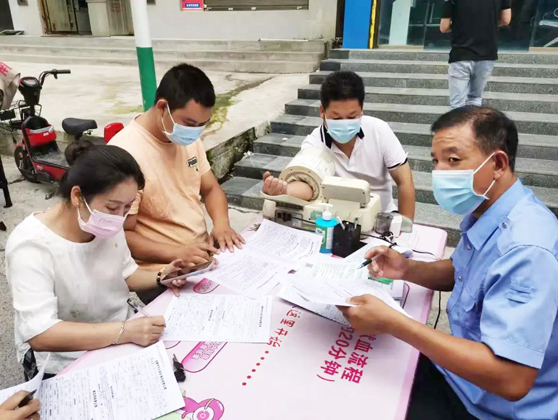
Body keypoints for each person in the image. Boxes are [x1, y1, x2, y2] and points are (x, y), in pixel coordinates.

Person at [341, 107, 558, 420]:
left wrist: (394, 323)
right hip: (459, 376)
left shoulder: (527, 249)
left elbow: (511, 378)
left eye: (453, 160)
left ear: (498, 163)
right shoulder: (492, 211)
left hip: (485, 407)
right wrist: (405, 269)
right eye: (436, 161)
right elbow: (465, 271)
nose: (440, 172)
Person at [6, 141, 190, 378]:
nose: (119, 218)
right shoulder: (31, 246)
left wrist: (161, 276)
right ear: (77, 196)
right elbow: (41, 334)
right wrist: (124, 331)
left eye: (127, 208)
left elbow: (127, 274)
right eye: (112, 207)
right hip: (65, 359)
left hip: (121, 338)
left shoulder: (105, 223)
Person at [109, 64, 245, 288]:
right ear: (163, 107)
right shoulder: (125, 153)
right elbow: (123, 236)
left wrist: (221, 224)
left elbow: (211, 189)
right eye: (189, 124)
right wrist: (178, 252)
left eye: (202, 125)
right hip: (164, 271)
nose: (195, 131)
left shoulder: (188, 139)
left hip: (201, 258)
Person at [262, 71, 415, 221]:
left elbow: (404, 181)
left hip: (382, 219)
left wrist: (405, 227)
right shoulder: (315, 143)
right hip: (336, 220)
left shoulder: (379, 131)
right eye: (336, 118)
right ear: (322, 111)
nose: (344, 123)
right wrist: (284, 190)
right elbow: (308, 185)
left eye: (352, 116)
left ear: (361, 110)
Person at [440, 0, 512, 109]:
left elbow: (444, 27)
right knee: (475, 98)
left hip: (461, 53)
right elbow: (505, 20)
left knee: (457, 104)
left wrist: (460, 25)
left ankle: (458, 120)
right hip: (487, 52)